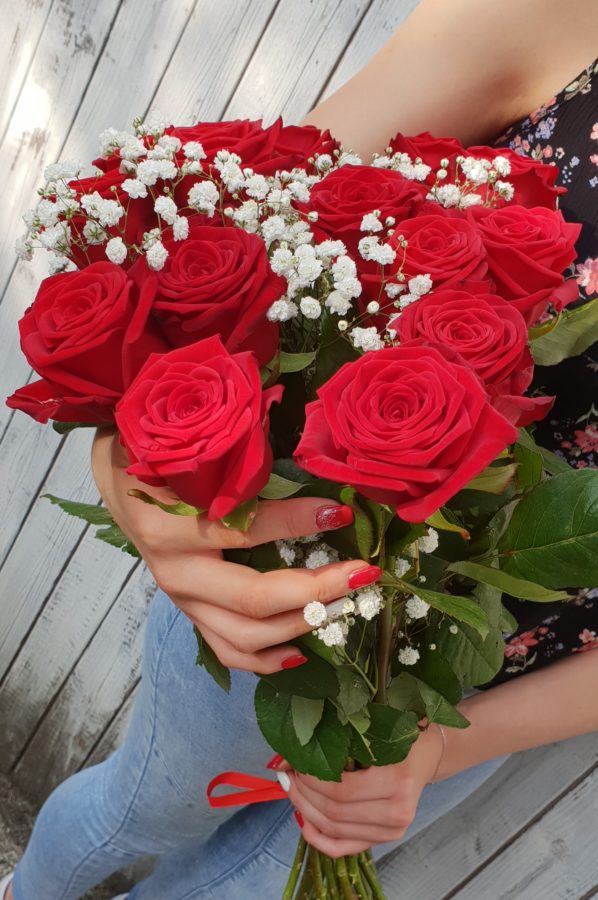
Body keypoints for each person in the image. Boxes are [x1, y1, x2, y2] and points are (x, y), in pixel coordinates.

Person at [2, 0, 598, 897]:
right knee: (137, 810)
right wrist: (143, 467)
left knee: (241, 891)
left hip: (489, 700)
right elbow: (244, 219)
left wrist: (436, 746)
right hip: (277, 615)